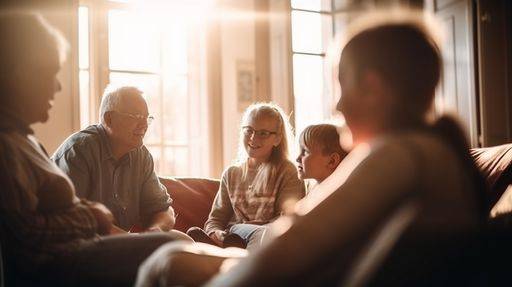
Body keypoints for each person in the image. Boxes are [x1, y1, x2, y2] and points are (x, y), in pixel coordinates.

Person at [135, 9, 487, 287]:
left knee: (169, 264)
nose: (338, 107)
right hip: (313, 269)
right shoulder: (433, 153)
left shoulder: (398, 155)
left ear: (372, 87)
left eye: (341, 85)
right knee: (176, 257)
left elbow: (293, 245)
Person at [0, 12, 190, 287]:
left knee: (178, 244)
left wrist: (149, 232)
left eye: (145, 118)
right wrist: (93, 217)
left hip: (80, 253)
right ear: (19, 74)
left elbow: (163, 209)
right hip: (64, 262)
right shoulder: (17, 146)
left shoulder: (24, 140)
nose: (58, 86)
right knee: (176, 251)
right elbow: (25, 234)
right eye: (49, 73)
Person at [52, 85, 175, 233]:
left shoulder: (141, 155)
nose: (144, 125)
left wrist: (155, 230)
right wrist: (133, 242)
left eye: (146, 118)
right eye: (136, 116)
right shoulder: (79, 150)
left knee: (183, 241)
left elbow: (165, 210)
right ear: (109, 119)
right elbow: (72, 218)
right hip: (79, 244)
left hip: (123, 244)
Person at [187, 103, 305, 250]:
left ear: (277, 139)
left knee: (262, 233)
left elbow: (287, 218)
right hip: (233, 236)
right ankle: (230, 250)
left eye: (263, 133)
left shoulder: (288, 171)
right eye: (249, 130)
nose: (253, 138)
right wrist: (215, 233)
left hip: (267, 238)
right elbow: (215, 219)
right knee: (193, 233)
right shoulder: (231, 174)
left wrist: (249, 228)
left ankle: (239, 256)